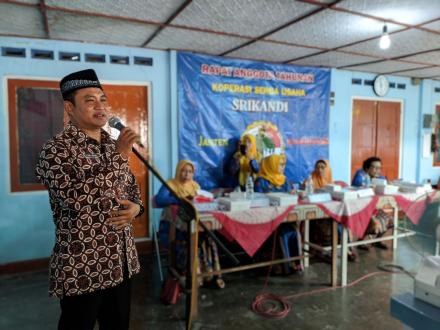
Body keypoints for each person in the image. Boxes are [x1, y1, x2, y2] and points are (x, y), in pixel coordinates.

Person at [35, 69, 144, 330]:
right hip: (83, 265)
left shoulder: (111, 143)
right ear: (69, 107)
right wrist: (119, 156)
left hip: (121, 262)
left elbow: (131, 189)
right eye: (90, 100)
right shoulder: (56, 149)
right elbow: (75, 200)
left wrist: (136, 208)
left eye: (103, 99)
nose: (100, 106)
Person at [155, 160, 225, 288]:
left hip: (192, 221)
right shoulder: (170, 184)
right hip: (173, 225)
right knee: (190, 239)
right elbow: (159, 200)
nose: (186, 174)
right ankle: (188, 275)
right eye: (183, 170)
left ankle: (209, 274)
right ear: (178, 171)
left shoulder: (195, 186)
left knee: (208, 237)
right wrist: (182, 199)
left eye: (190, 171)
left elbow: (200, 202)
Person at [254, 154, 301, 273]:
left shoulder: (285, 180)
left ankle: (296, 263)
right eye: (280, 164)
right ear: (272, 165)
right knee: (283, 232)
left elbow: (291, 197)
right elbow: (257, 202)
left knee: (293, 231)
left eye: (283, 164)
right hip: (267, 220)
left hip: (285, 218)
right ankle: (285, 266)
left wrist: (294, 194)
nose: (283, 167)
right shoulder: (261, 181)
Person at [352, 156, 390, 250]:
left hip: (372, 209)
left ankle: (377, 241)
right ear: (367, 168)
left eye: (379, 168)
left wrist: (384, 181)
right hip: (360, 209)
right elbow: (360, 184)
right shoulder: (360, 175)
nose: (378, 170)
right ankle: (360, 241)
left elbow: (386, 182)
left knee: (390, 221)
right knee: (375, 223)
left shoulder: (376, 176)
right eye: (375, 167)